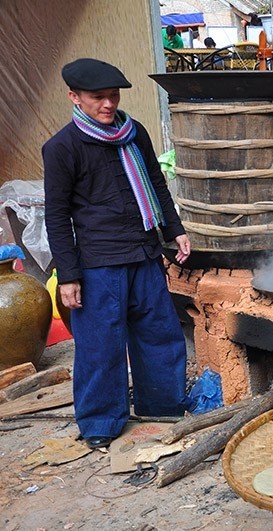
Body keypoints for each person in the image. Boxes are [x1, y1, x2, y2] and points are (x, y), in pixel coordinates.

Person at [42, 58, 192, 450]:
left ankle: (163, 405)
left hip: (144, 254)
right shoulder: (61, 148)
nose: (108, 104)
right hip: (98, 264)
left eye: (113, 96)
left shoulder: (134, 132)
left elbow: (156, 183)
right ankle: (100, 422)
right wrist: (69, 276)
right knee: (100, 346)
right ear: (74, 97)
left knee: (160, 334)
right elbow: (56, 216)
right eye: (98, 98)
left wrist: (174, 230)